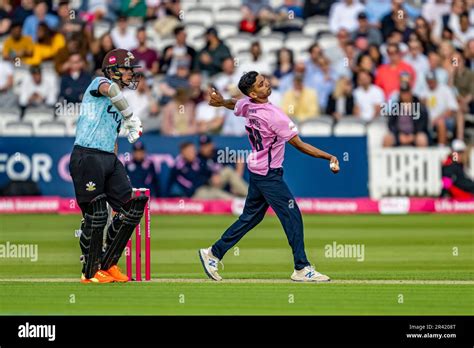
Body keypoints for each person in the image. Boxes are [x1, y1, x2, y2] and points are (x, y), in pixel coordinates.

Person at [199, 71, 340, 282]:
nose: (267, 84)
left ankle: (213, 253)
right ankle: (301, 267)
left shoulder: (248, 104)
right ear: (254, 94)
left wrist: (220, 102)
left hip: (257, 170)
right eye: (261, 84)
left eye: (265, 81)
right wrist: (329, 156)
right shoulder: (275, 116)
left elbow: (234, 104)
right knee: (292, 215)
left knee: (250, 218)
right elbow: (300, 145)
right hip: (268, 174)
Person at [69, 48, 145, 284]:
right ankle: (90, 272)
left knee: (132, 207)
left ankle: (108, 263)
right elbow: (109, 89)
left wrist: (115, 160)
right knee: (98, 214)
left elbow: (112, 136)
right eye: (126, 69)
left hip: (108, 159)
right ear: (113, 70)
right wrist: (131, 116)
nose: (131, 73)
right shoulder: (100, 83)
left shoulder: (118, 99)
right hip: (87, 156)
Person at [383, 82, 429, 147]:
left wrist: (413, 135)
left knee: (421, 138)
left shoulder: (419, 106)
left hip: (415, 135)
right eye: (403, 93)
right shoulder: (396, 106)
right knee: (387, 139)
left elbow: (423, 123)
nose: (405, 95)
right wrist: (398, 134)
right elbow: (391, 124)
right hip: (399, 135)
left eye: (407, 92)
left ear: (410, 93)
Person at [424, 71, 461, 145]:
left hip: (445, 120)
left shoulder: (445, 89)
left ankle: (442, 147)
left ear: (436, 80)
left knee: (441, 122)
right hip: (429, 121)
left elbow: (452, 109)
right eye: (429, 81)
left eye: (432, 81)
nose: (431, 83)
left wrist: (437, 119)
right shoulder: (424, 92)